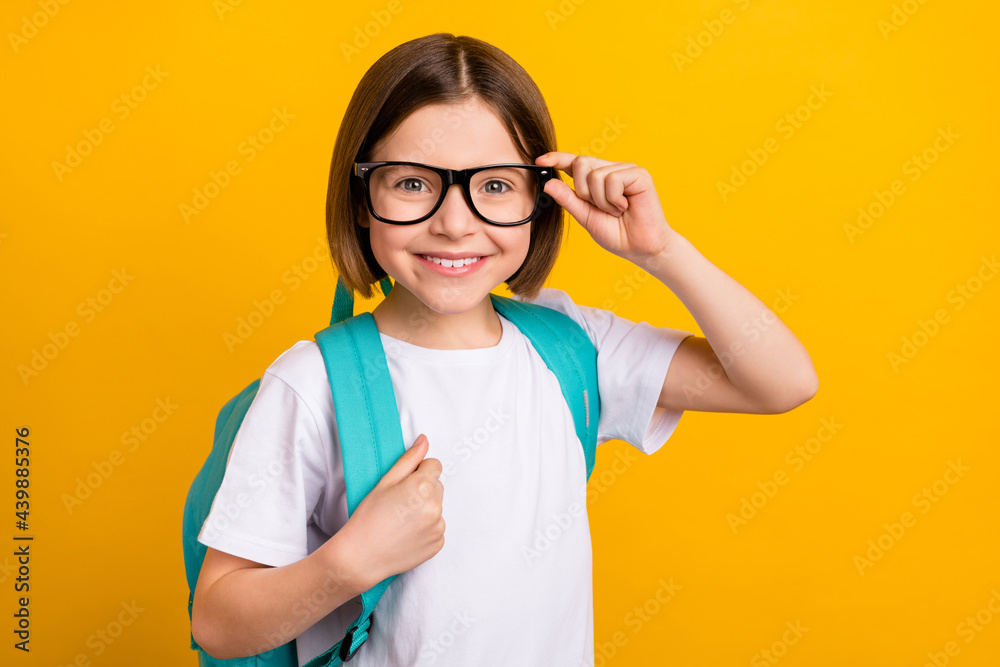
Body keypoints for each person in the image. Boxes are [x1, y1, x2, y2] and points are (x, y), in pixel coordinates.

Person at [191, 32, 818, 666]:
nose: (455, 223)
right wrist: (348, 564)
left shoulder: (572, 347)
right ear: (361, 199)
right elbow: (219, 623)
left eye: (493, 186)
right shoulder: (314, 384)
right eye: (412, 184)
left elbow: (783, 382)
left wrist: (660, 252)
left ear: (539, 199)